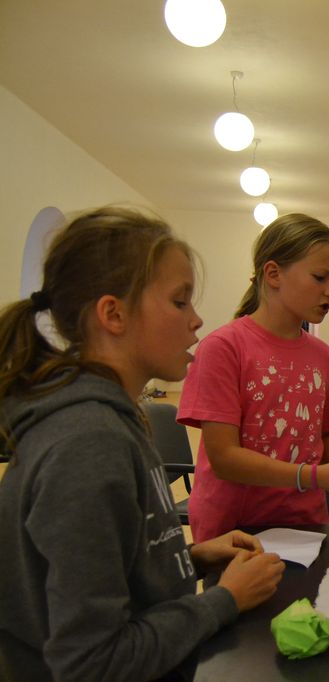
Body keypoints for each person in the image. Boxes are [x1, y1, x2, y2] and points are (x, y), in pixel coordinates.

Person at [0, 207, 285, 681]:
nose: (196, 320)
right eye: (179, 302)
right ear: (113, 314)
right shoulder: (88, 444)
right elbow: (93, 663)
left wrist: (186, 559)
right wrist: (225, 600)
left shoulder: (114, 419)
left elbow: (100, 579)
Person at [178, 213, 329, 542]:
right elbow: (225, 458)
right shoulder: (224, 347)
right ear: (273, 274)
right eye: (320, 277)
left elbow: (316, 444)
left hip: (305, 526)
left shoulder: (322, 356)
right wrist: (315, 477)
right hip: (234, 530)